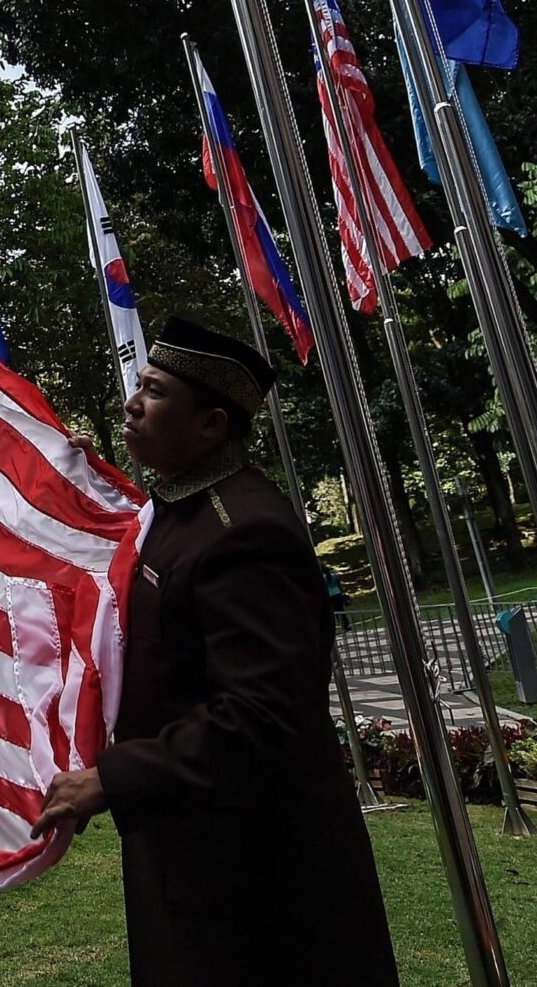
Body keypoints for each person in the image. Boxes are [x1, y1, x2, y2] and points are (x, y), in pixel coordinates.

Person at [34, 317, 397, 986]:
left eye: (156, 391)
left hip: (257, 884)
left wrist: (113, 777)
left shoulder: (245, 532)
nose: (132, 403)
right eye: (138, 384)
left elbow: (259, 715)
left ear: (211, 425)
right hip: (192, 857)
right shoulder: (180, 510)